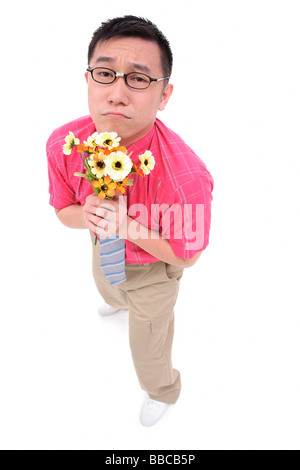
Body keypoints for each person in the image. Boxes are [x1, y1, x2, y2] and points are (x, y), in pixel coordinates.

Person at [46, 15, 214, 426]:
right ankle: (117, 300)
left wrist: (128, 227)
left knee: (148, 347)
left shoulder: (185, 177)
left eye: (138, 79)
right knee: (108, 286)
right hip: (103, 249)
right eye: (105, 74)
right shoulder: (64, 143)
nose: (117, 94)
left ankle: (165, 389)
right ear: (88, 80)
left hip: (154, 269)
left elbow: (186, 255)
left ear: (164, 94)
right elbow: (64, 212)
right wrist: (89, 219)